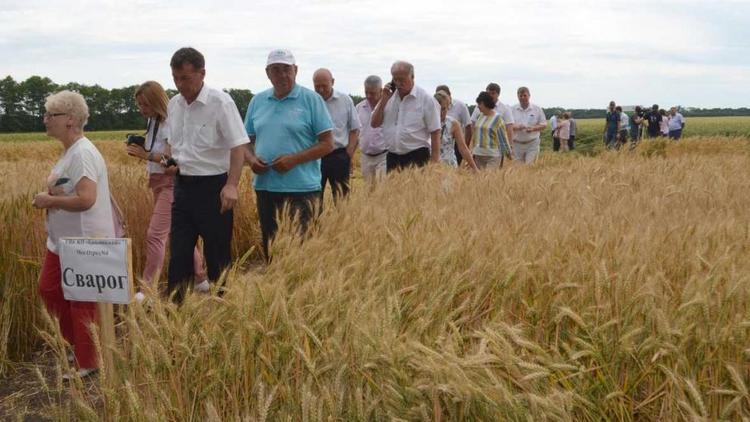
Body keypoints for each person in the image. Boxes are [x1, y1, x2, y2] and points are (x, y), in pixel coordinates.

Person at [32, 90, 115, 378]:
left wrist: (49, 201)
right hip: (61, 242)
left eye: (50, 115)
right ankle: (77, 343)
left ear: (69, 120)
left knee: (81, 298)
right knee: (50, 288)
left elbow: (87, 198)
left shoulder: (82, 153)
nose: (45, 120)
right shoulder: (71, 152)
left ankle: (88, 359)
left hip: (84, 240)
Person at [165, 47, 249, 303]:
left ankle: (225, 311)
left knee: (217, 256)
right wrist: (170, 161)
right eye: (176, 78)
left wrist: (232, 185)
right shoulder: (174, 105)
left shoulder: (220, 102)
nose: (181, 85)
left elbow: (238, 146)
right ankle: (174, 317)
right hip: (182, 188)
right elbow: (172, 143)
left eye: (186, 78)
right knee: (179, 254)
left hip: (214, 189)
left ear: (202, 74)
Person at [244, 49, 334, 260]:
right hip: (266, 188)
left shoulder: (312, 100)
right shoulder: (257, 101)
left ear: (296, 70)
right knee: (271, 249)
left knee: (302, 252)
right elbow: (245, 142)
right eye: (276, 70)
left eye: (286, 69)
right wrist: (251, 160)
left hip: (302, 190)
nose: (282, 75)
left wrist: (293, 160)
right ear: (267, 73)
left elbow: (328, 144)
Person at [124, 81, 208, 302]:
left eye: (146, 104)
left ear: (156, 101)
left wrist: (145, 155)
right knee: (177, 232)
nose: (142, 109)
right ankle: (200, 279)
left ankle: (148, 289)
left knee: (155, 235)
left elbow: (170, 159)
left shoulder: (170, 122)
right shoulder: (153, 122)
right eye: (140, 105)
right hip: (157, 183)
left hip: (170, 183)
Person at [370, 61, 441, 172]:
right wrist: (383, 100)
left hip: (417, 156)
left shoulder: (425, 99)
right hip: (393, 157)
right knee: (393, 190)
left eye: (402, 80)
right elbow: (374, 123)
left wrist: (434, 162)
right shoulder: (388, 97)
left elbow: (435, 131)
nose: (398, 83)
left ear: (412, 77)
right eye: (395, 79)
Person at [312, 68, 360, 201]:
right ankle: (316, 222)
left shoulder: (345, 100)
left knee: (342, 199)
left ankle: (343, 222)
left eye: (324, 86)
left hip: (338, 156)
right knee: (314, 198)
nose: (321, 90)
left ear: (332, 82)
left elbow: (355, 129)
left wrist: (348, 154)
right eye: (317, 86)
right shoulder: (310, 101)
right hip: (314, 157)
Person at [434, 90, 478, 170]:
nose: (441, 113)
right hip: (431, 167)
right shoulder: (426, 123)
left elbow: (463, 148)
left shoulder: (453, 124)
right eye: (438, 109)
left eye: (444, 109)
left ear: (448, 108)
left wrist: (474, 168)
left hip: (449, 166)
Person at [356, 75, 388, 184]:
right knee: (369, 193)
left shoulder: (388, 107)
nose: (369, 96)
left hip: (384, 156)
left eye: (372, 93)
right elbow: (356, 132)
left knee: (382, 190)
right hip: (366, 157)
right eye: (366, 93)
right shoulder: (359, 108)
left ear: (381, 91)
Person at [472, 91, 512, 169]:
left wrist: (508, 152)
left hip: (492, 156)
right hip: (478, 154)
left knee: (490, 179)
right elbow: (476, 135)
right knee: (479, 180)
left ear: (486, 104)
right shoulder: (480, 117)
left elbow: (502, 137)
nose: (478, 106)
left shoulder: (497, 119)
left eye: (480, 104)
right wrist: (472, 150)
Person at [469, 83, 514, 148]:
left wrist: (510, 145)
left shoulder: (505, 109)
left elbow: (509, 128)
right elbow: (472, 123)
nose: (490, 96)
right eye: (488, 93)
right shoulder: (478, 108)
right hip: (480, 145)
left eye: (493, 93)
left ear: (498, 94)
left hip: (496, 146)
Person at [511, 86, 547, 164]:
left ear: (529, 96)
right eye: (520, 96)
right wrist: (517, 127)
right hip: (517, 144)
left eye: (525, 95)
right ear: (517, 96)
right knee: (518, 170)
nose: (523, 98)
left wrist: (533, 129)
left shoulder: (537, 109)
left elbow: (544, 124)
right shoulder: (512, 109)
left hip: (532, 143)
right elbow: (508, 125)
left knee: (530, 167)